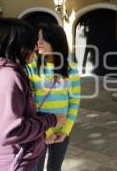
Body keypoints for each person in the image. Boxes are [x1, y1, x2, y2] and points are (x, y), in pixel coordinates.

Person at [0, 18, 66, 171]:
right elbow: (9, 131)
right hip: (14, 163)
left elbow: (18, 117)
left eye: (41, 40)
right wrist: (50, 120)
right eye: (33, 41)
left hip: (22, 151)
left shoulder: (4, 72)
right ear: (16, 44)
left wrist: (50, 132)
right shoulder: (8, 77)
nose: (36, 47)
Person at [26, 23, 81, 171]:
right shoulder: (32, 65)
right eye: (38, 38)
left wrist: (66, 130)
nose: (39, 42)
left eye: (44, 39)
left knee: (55, 167)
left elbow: (74, 100)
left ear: (56, 41)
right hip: (40, 128)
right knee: (36, 166)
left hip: (63, 129)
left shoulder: (71, 67)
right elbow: (29, 101)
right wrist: (46, 132)